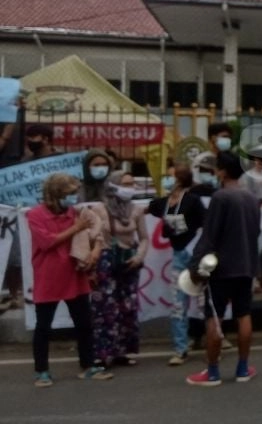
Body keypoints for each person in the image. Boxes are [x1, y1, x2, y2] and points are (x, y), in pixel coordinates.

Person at [27, 173, 113, 387]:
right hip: (49, 276)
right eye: (69, 193)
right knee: (44, 327)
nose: (73, 198)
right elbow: (47, 242)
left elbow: (97, 232)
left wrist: (95, 250)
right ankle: (42, 371)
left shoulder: (76, 213)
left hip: (75, 274)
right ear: (56, 194)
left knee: (84, 323)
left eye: (75, 193)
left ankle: (88, 365)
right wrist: (76, 228)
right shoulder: (35, 215)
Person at [186, 152, 262, 386]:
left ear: (223, 171)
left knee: (214, 317)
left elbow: (209, 236)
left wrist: (195, 264)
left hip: (221, 267)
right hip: (246, 264)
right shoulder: (251, 198)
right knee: (243, 315)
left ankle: (213, 371)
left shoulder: (220, 198)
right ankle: (242, 367)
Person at [147, 164, 206, 366]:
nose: (166, 180)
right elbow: (145, 209)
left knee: (203, 302)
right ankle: (180, 348)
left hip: (195, 255)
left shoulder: (193, 201)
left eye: (170, 177)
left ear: (180, 180)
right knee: (178, 304)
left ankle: (215, 338)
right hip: (178, 256)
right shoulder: (162, 203)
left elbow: (206, 226)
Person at [91, 171, 149, 367]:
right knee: (105, 307)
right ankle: (104, 352)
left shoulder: (136, 210)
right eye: (125, 183)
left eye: (132, 183)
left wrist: (139, 256)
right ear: (113, 185)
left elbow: (144, 238)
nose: (130, 187)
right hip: (106, 260)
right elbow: (93, 236)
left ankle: (123, 352)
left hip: (129, 260)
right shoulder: (99, 209)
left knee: (127, 306)